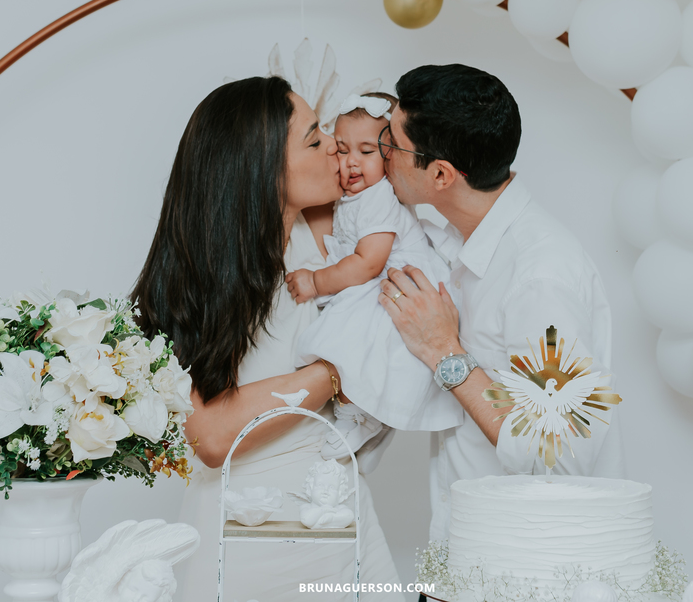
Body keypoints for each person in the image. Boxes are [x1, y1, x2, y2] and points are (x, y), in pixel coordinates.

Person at [131, 76, 402, 601]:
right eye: (315, 140)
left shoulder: (329, 232)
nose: (334, 150)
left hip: (342, 519)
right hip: (251, 534)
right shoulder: (206, 277)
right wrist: (334, 374)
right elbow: (211, 434)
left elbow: (376, 149)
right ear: (260, 169)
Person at [375, 64, 627, 548]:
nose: (382, 153)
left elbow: (561, 456)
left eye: (392, 143)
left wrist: (444, 353)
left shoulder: (539, 278)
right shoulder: (451, 239)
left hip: (530, 561)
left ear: (442, 174)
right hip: (468, 550)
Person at [286, 92, 462, 460]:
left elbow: (368, 262)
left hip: (396, 284)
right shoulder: (355, 196)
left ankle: (361, 416)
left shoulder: (379, 197)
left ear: (390, 156)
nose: (351, 162)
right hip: (375, 282)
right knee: (353, 348)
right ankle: (366, 415)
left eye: (366, 152)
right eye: (343, 148)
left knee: (354, 344)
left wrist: (316, 283)